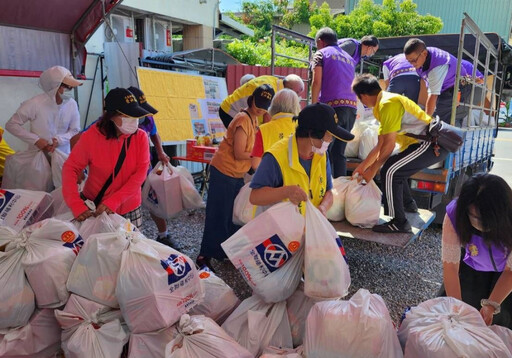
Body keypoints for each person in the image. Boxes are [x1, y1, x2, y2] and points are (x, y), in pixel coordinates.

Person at [351, 74, 449, 233]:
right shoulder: (382, 104)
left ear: (363, 96)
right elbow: (381, 144)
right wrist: (363, 167)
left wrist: (373, 170)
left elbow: (388, 145)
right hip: (420, 144)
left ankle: (399, 221)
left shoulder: (387, 104)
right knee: (394, 167)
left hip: (430, 144)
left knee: (389, 170)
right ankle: (409, 206)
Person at [197, 84, 275, 270]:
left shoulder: (255, 120)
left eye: (265, 105)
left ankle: (222, 252)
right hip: (223, 171)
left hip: (236, 174)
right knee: (218, 215)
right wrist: (260, 157)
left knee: (231, 215)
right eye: (258, 103)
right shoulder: (242, 119)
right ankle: (203, 256)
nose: (260, 108)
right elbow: (240, 152)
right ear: (251, 99)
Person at [62, 88, 150, 227]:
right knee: (97, 247)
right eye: (127, 116)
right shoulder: (91, 136)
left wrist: (115, 201)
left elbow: (140, 173)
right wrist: (76, 204)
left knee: (130, 247)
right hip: (96, 208)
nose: (134, 121)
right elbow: (70, 168)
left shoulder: (140, 137)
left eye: (135, 117)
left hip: (129, 207)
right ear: (111, 116)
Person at [249, 102, 354, 216]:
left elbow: (329, 191)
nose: (331, 140)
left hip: (307, 230)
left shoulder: (322, 156)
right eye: (329, 135)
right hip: (277, 231)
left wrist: (323, 207)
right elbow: (255, 197)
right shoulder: (276, 157)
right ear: (312, 134)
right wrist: (286, 192)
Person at [441, 173, 512, 328]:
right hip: (472, 269)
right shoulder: (455, 213)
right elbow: (450, 267)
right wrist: (457, 309)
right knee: (457, 316)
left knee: (502, 324)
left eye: (483, 219)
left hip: (506, 275)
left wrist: (491, 305)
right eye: (472, 216)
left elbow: (510, 272)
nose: (477, 222)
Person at [127, 86, 179, 248]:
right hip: (126, 172)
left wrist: (161, 152)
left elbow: (154, 134)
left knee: (154, 200)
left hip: (145, 167)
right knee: (128, 205)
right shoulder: (114, 124)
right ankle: (127, 239)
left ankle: (163, 235)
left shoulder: (147, 118)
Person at [311, 27, 358, 178]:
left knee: (323, 149)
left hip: (332, 109)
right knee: (339, 152)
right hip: (351, 109)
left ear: (320, 42)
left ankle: (324, 187)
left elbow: (316, 82)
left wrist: (313, 108)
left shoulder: (321, 54)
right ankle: (340, 189)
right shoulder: (350, 59)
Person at [6, 66, 82, 154]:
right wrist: (36, 140)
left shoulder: (72, 104)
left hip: (63, 154)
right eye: (66, 87)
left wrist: (59, 140)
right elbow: (11, 125)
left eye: (71, 88)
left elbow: (75, 130)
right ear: (55, 86)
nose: (69, 90)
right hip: (37, 156)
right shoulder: (35, 103)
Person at [404, 38, 470, 125]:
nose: (412, 64)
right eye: (409, 61)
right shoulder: (424, 56)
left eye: (413, 60)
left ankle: (453, 137)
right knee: (436, 116)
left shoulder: (436, 68)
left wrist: (424, 122)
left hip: (458, 88)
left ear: (424, 53)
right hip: (447, 87)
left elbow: (433, 95)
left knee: (445, 120)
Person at [219, 74, 304, 128]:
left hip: (236, 110)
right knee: (243, 145)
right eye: (297, 93)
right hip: (231, 112)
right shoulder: (271, 91)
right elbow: (266, 119)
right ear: (290, 89)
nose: (297, 97)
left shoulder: (274, 80)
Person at [251, 88, 301, 170]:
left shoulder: (263, 129)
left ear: (273, 105)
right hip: (297, 180)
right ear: (296, 106)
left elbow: (255, 164)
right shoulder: (303, 127)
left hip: (271, 179)